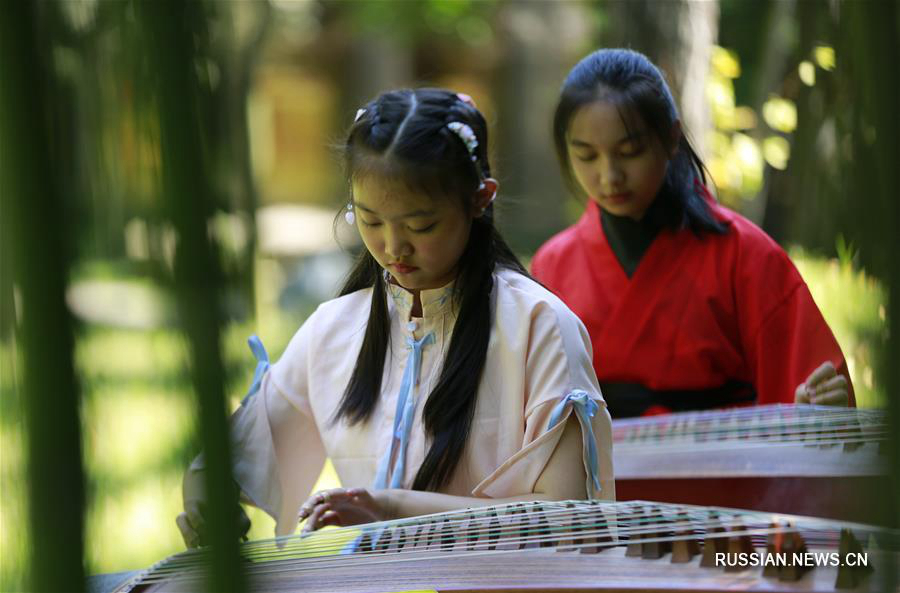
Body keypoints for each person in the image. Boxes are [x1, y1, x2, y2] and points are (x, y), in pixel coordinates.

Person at [176, 88, 614, 546]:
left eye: (420, 226)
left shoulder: (539, 327)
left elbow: (570, 520)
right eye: (369, 220)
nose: (393, 247)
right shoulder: (334, 330)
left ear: (480, 199)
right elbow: (233, 463)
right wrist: (208, 499)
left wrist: (393, 508)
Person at [531, 49, 853, 419]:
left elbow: (808, 383)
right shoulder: (552, 265)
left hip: (726, 471)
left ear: (671, 139)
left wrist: (815, 404)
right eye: (587, 156)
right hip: (602, 476)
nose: (609, 176)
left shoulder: (746, 255)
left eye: (630, 151)